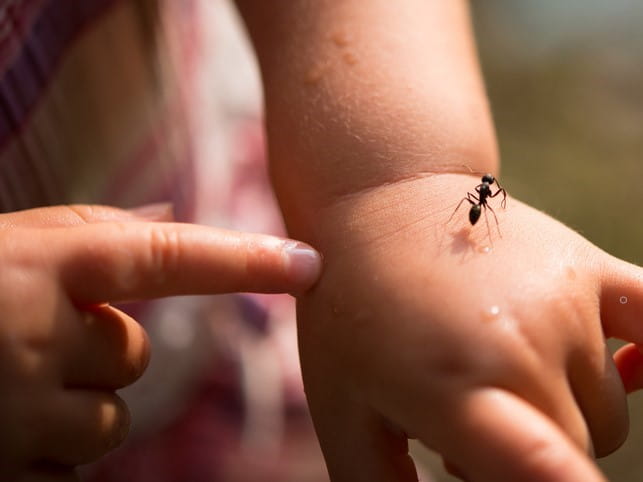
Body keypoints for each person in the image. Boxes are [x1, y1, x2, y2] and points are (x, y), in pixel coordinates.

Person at [1, 1, 642, 482]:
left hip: (221, 330)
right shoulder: (480, 204)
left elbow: (469, 201)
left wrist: (401, 178)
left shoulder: (470, 200)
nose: (482, 200)